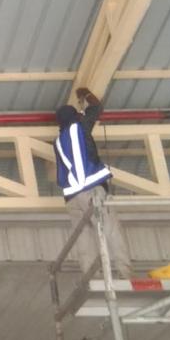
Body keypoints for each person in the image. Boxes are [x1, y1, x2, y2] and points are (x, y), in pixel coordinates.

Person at [54, 88, 132, 279]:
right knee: (110, 229)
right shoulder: (78, 127)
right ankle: (124, 272)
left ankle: (91, 277)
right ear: (75, 117)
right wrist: (86, 93)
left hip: (71, 198)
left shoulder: (58, 142)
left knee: (83, 237)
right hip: (91, 191)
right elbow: (96, 108)